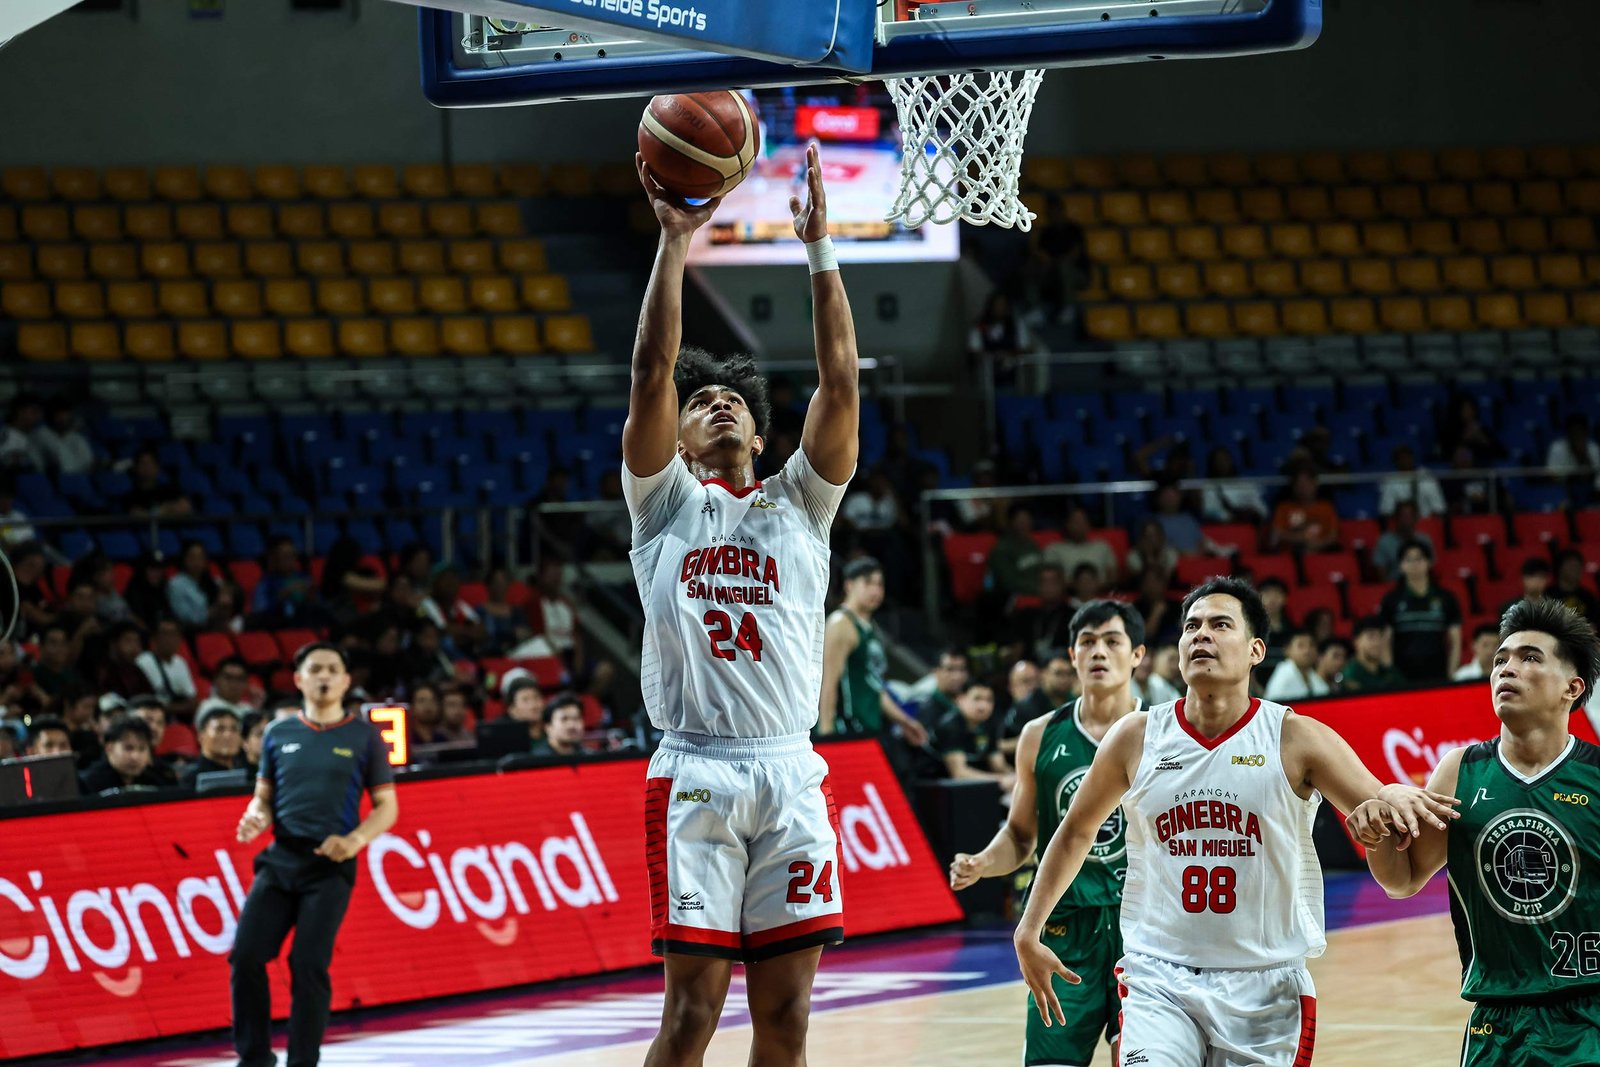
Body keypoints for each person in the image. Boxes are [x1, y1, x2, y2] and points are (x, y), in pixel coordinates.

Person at [1013, 577, 1456, 1063]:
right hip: (1159, 978)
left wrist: (1386, 803)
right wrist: (1028, 927)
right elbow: (1075, 832)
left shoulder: (1295, 737)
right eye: (1191, 626)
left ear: (1255, 651)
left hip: (1265, 985)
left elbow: (1383, 824)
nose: (1201, 634)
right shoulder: (1136, 737)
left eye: (1220, 625)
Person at [624, 141, 855, 1067]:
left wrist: (819, 249)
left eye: (734, 400)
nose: (718, 404)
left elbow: (841, 381)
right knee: (691, 1015)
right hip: (697, 769)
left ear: (761, 434)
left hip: (790, 769)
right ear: (677, 438)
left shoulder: (803, 501)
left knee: (787, 1019)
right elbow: (651, 371)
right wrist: (675, 240)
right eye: (702, 401)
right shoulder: (663, 503)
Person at [1348, 599, 1600, 1067]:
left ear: (1572, 687)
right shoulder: (1459, 771)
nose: (1507, 668)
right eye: (1500, 659)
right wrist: (1377, 835)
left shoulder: (1595, 775)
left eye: (1529, 657)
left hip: (1589, 1015)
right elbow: (1403, 880)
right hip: (1495, 1023)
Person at [950, 600, 1146, 1067]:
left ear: (1137, 654)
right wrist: (984, 862)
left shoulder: (1164, 732)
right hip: (1064, 930)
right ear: (1072, 655)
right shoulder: (1040, 735)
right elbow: (1021, 836)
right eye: (1088, 642)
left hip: (1142, 929)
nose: (1099, 652)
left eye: (1112, 641)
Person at [231, 643, 398, 1067]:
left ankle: (302, 1062)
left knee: (307, 964)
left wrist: (354, 841)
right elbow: (263, 798)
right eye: (315, 669)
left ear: (345, 680)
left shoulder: (365, 736)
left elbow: (387, 807)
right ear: (298, 679)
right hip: (280, 859)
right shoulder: (277, 733)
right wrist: (256, 816)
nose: (324, 676)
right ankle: (254, 1059)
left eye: (332, 669)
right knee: (246, 956)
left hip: (330, 865)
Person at [817, 557, 928, 745]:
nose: (876, 590)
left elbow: (875, 685)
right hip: (845, 729)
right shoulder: (841, 624)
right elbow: (827, 683)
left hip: (869, 727)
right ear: (849, 585)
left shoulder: (870, 626)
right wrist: (826, 735)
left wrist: (904, 721)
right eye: (868, 583)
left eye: (879, 584)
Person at [1379, 539, 1464, 683]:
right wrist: (1390, 674)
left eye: (1419, 558)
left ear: (1429, 562)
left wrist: (1452, 672)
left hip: (1438, 673)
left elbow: (1455, 640)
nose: (1414, 564)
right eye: (1408, 559)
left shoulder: (1446, 598)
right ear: (1400, 565)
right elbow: (1385, 640)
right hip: (1402, 675)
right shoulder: (1391, 600)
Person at [931, 679, 1014, 789]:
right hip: (940, 786)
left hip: (978, 783)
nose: (983, 706)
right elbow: (959, 773)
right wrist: (1000, 780)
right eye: (977, 699)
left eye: (989, 700)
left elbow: (998, 764)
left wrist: (1017, 777)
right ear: (960, 700)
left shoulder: (988, 724)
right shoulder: (950, 726)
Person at [1000, 652, 1077, 762]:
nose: (1064, 679)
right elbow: (1004, 745)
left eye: (1069, 673)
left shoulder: (1076, 702)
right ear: (1044, 674)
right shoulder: (1026, 706)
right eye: (1058, 673)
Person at [78, 715, 173, 794]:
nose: (135, 756)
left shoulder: (157, 782)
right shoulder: (87, 784)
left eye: (142, 749)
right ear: (109, 749)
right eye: (128, 748)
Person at [137, 616, 199, 718]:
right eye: (165, 634)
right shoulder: (143, 661)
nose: (170, 639)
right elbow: (144, 702)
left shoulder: (180, 662)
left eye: (174, 634)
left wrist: (172, 708)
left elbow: (192, 700)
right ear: (154, 638)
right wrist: (180, 707)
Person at [1043, 506, 1119, 587]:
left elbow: (1113, 576)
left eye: (1083, 522)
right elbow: (1051, 581)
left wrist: (1093, 588)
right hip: (1068, 592)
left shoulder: (1102, 546)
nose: (1080, 526)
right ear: (1067, 524)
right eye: (1076, 522)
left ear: (1089, 525)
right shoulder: (1054, 549)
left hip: (1101, 591)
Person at [1269, 468, 1341, 552]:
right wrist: (1300, 538)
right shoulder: (1283, 508)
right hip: (1290, 555)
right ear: (1294, 487)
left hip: (1321, 554)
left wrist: (1318, 545)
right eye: (1299, 484)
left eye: (1307, 484)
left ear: (1315, 484)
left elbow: (1333, 536)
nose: (1303, 488)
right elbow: (1275, 535)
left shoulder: (1326, 507)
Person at [181, 705, 246, 787]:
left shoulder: (249, 772)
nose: (228, 735)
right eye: (220, 729)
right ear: (201, 736)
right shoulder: (192, 778)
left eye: (234, 729)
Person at [1371, 499, 1435, 582]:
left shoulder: (1424, 540)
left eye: (1410, 516)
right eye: (1403, 516)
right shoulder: (1384, 541)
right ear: (1396, 518)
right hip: (1394, 585)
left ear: (1416, 518)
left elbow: (1429, 570)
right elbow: (1380, 574)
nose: (1406, 520)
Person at [1377, 444, 1447, 518]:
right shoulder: (1390, 481)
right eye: (1401, 458)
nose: (1405, 461)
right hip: (1402, 522)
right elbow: (1386, 511)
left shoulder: (1427, 477)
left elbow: (1439, 508)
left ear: (1412, 458)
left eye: (1408, 457)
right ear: (1396, 462)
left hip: (1426, 520)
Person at [1342, 615, 1409, 693]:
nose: (1377, 642)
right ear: (1356, 642)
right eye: (1371, 636)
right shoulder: (1351, 674)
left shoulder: (1388, 671)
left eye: (1380, 636)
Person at [1545, 412, 1600, 504]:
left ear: (1586, 432)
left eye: (1580, 431)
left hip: (1590, 490)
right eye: (1574, 432)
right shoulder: (1557, 448)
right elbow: (1552, 477)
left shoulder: (1593, 448)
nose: (1577, 435)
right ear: (1568, 433)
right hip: (1564, 489)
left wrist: (1582, 454)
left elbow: (1595, 476)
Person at [1264, 628, 1330, 702]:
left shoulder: (1313, 675)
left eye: (1311, 645)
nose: (1307, 650)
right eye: (1301, 646)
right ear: (1287, 650)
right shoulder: (1283, 674)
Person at [1551, 548, 1600, 625]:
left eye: (1578, 566)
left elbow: (1593, 624)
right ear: (1559, 568)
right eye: (1571, 566)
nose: (1575, 569)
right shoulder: (1548, 595)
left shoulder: (1588, 597)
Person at [530, 693, 587, 758]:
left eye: (576, 718)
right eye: (564, 719)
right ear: (548, 727)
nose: (572, 725)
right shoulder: (537, 759)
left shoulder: (588, 756)